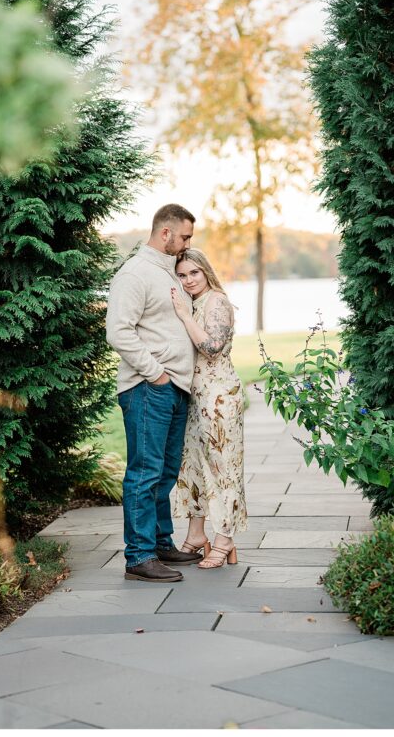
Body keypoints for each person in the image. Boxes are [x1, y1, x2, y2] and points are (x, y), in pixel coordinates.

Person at [105, 204, 199, 583]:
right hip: (148, 388)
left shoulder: (169, 273)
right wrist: (155, 373)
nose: (188, 243)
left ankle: (160, 543)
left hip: (175, 387)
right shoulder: (135, 274)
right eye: (185, 236)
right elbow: (118, 331)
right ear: (165, 233)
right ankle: (139, 556)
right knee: (144, 473)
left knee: (164, 471)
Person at [170, 248, 247, 568]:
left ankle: (225, 539)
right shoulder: (192, 301)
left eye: (194, 273)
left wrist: (185, 317)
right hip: (196, 397)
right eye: (182, 275)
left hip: (219, 399)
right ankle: (197, 534)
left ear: (206, 271)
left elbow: (213, 348)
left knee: (223, 470)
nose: (188, 280)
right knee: (193, 470)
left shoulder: (216, 301)